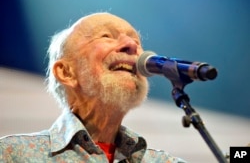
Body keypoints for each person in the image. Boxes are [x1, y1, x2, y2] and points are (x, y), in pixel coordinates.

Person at [0, 12, 186, 163]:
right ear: (66, 72)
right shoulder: (12, 155)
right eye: (106, 36)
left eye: (136, 42)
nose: (131, 45)